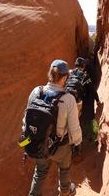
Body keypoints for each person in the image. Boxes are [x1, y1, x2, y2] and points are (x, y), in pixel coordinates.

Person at [27, 59, 82, 196]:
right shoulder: (68, 98)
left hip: (39, 142)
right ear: (64, 77)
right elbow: (74, 128)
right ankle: (65, 192)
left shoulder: (36, 92)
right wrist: (77, 143)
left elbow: (26, 119)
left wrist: (27, 139)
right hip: (60, 146)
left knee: (40, 172)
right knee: (64, 169)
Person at [75, 57, 100, 142]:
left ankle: (78, 143)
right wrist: (97, 99)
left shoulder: (70, 74)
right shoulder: (84, 75)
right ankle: (90, 137)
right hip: (84, 102)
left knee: (78, 122)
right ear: (83, 66)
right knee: (88, 122)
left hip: (74, 102)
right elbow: (92, 89)